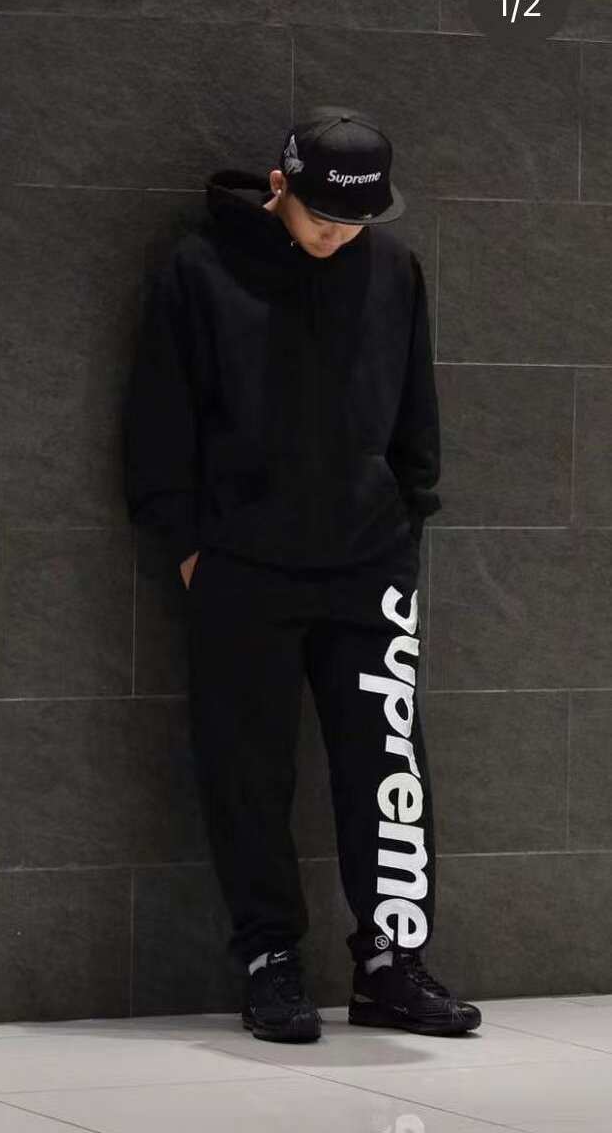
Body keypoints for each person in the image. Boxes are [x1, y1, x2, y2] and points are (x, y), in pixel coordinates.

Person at [125, 107, 481, 1043]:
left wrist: (408, 516)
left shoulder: (394, 269)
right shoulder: (200, 269)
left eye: (357, 222)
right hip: (244, 565)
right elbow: (160, 417)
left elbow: (416, 411)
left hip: (371, 562)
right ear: (280, 187)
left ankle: (392, 961)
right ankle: (271, 961)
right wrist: (191, 543)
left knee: (388, 762)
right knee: (246, 769)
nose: (338, 237)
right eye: (324, 217)